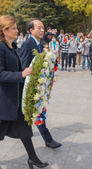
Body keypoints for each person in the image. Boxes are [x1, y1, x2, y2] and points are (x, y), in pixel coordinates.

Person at [0, 15, 48, 169]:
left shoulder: (13, 47)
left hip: (15, 96)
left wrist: (37, 77)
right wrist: (21, 74)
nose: (17, 30)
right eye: (14, 28)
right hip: (1, 97)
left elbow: (20, 69)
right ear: (4, 30)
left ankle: (32, 158)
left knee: (24, 129)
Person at [20, 19, 62, 149]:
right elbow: (24, 65)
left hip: (37, 84)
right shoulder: (28, 44)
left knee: (36, 113)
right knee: (35, 113)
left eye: (43, 28)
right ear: (31, 30)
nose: (42, 30)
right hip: (28, 85)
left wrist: (48, 76)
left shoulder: (39, 44)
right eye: (39, 28)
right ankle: (46, 139)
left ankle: (46, 139)